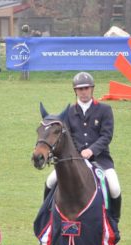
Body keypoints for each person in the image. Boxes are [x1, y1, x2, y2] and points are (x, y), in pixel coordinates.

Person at [44, 71, 122, 222]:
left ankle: (114, 220)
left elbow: (106, 136)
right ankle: (47, 215)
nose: (84, 92)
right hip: (74, 159)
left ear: (92, 89)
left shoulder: (104, 110)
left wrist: (91, 150)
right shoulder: (68, 112)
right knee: (50, 181)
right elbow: (67, 137)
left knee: (114, 187)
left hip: (101, 159)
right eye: (80, 89)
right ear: (75, 91)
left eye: (86, 88)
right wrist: (78, 152)